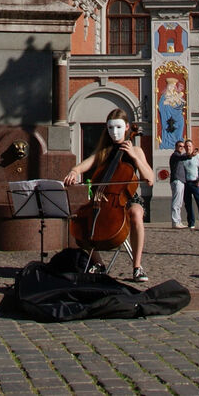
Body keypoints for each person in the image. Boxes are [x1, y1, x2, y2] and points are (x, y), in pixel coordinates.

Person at [63, 108, 155, 282]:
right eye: (111, 128)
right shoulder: (104, 151)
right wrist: (74, 172)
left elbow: (149, 179)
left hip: (128, 199)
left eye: (119, 127)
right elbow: (83, 166)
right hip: (103, 199)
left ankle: (137, 266)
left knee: (136, 213)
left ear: (127, 127)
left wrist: (134, 158)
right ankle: (98, 263)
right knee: (79, 220)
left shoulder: (136, 150)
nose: (115, 132)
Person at [177, 139, 199, 229]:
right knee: (188, 204)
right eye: (186, 146)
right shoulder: (183, 157)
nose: (188, 148)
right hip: (186, 183)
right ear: (184, 148)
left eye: (189, 146)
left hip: (195, 182)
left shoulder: (198, 157)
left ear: (192, 147)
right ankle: (191, 223)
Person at [167, 141, 187, 229]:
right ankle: (175, 222)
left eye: (183, 146)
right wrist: (190, 154)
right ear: (176, 146)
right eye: (180, 146)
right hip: (177, 180)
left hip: (181, 180)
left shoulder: (179, 155)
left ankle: (178, 221)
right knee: (176, 202)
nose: (181, 147)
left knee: (179, 202)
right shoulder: (175, 155)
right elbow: (183, 157)